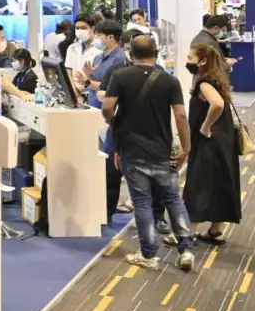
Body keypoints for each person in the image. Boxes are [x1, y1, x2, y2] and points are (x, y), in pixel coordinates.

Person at [102, 35, 195, 271]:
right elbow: (180, 115)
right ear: (156, 53)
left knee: (142, 202)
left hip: (132, 149)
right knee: (173, 199)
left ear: (130, 54)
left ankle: (148, 254)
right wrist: (186, 148)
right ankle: (186, 249)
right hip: (162, 149)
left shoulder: (120, 76)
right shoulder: (169, 80)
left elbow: (107, 107)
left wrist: (114, 124)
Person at [180, 43, 241, 245]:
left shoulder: (204, 83)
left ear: (203, 61)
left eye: (191, 58)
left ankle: (187, 232)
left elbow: (217, 104)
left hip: (208, 141)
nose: (187, 62)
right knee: (221, 181)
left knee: (198, 183)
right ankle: (215, 230)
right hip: (224, 140)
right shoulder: (218, 80)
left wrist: (205, 126)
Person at [86, 20, 128, 111]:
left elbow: (113, 87)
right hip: (93, 108)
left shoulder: (119, 58)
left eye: (99, 35)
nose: (95, 38)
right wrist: (88, 74)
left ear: (110, 37)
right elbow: (92, 83)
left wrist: (88, 82)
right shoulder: (98, 58)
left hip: (108, 111)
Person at [65, 14, 101, 96]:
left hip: (92, 93)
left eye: (83, 28)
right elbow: (68, 72)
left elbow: (100, 78)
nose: (80, 31)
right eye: (77, 28)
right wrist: (74, 91)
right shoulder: (72, 47)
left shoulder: (100, 48)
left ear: (92, 28)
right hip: (75, 92)